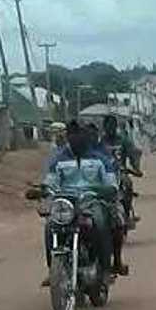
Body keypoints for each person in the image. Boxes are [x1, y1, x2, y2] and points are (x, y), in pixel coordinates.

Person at [42, 118, 123, 280]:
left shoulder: (101, 159)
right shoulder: (58, 159)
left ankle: (106, 266)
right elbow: (50, 182)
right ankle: (53, 270)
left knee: (102, 223)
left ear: (86, 137)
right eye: (72, 134)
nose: (75, 138)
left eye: (79, 134)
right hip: (67, 203)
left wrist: (105, 190)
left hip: (93, 201)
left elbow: (111, 184)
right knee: (50, 227)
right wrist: (43, 190)